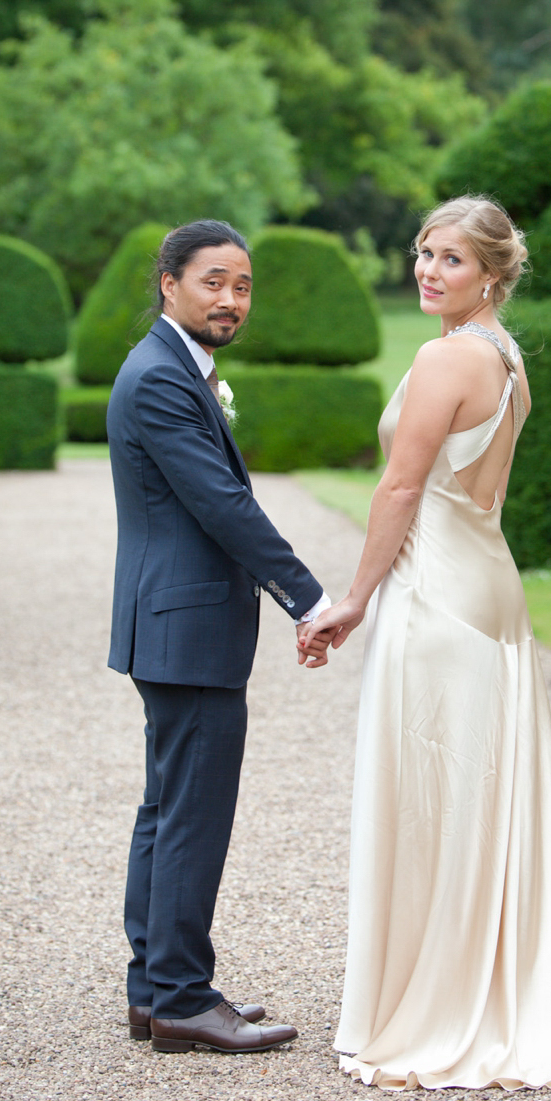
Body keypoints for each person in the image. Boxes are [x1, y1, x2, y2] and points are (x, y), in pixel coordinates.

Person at [301, 196, 551, 1091]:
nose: (428, 270)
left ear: (492, 274)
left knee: (434, 794)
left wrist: (353, 599)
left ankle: (440, 1005)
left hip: (437, 596)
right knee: (476, 791)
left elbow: (397, 491)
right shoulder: (508, 360)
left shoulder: (447, 356)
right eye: (424, 253)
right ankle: (478, 986)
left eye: (451, 259)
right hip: (490, 587)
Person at [107, 219, 332, 1055]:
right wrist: (307, 598)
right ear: (168, 282)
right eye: (213, 281)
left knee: (167, 813)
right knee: (191, 816)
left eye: (242, 285)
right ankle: (182, 998)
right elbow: (222, 506)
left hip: (173, 626)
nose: (231, 299)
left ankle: (153, 990)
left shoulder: (171, 368)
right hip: (187, 627)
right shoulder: (162, 378)